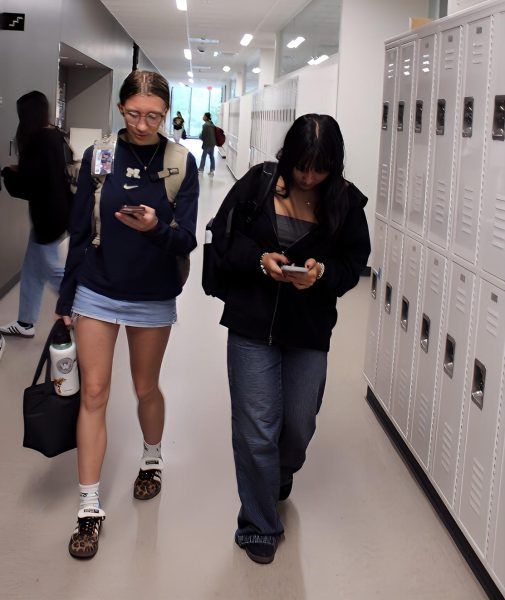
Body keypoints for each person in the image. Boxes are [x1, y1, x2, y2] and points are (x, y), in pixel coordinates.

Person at [210, 114, 371, 565]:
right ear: (289, 156)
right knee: (256, 427)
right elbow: (223, 238)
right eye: (301, 165)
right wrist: (260, 260)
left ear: (332, 165)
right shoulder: (258, 184)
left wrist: (320, 275)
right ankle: (259, 524)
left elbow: (352, 264)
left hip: (308, 330)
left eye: (318, 168)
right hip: (251, 323)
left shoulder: (344, 202)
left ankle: (279, 476)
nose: (307, 177)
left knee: (297, 425)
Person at [55, 70, 199, 559]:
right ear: (120, 109)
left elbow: (186, 240)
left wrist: (157, 226)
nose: (143, 124)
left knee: (144, 387)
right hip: (97, 287)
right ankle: (89, 507)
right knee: (94, 392)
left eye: (154, 116)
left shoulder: (180, 161)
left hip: (153, 293)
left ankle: (152, 459)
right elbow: (79, 230)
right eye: (134, 114)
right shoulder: (101, 157)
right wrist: (65, 302)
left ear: (167, 114)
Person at [0, 91, 71, 339]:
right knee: (31, 269)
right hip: (59, 210)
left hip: (47, 216)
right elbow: (47, 173)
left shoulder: (38, 140)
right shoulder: (54, 136)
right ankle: (25, 322)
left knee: (51, 269)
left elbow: (30, 185)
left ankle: (83, 307)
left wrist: (8, 174)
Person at [198, 112, 216, 176]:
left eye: (204, 116)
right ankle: (212, 170)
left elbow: (203, 135)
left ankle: (201, 169)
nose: (203, 117)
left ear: (206, 117)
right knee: (211, 157)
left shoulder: (205, 125)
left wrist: (200, 136)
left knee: (203, 156)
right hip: (212, 143)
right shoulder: (212, 124)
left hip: (207, 143)